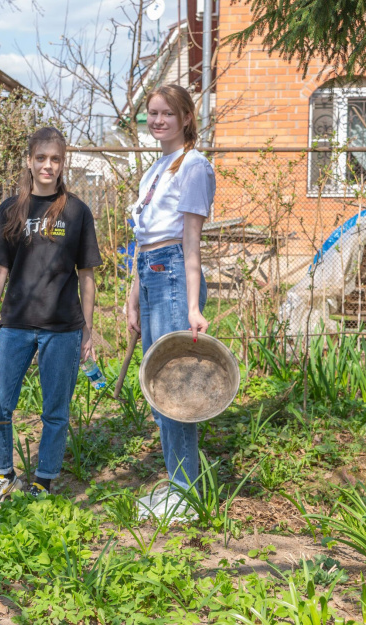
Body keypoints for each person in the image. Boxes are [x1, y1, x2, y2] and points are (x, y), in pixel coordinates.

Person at [0, 126, 102, 507]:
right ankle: (2, 473)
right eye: (41, 158)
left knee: (55, 412)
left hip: (62, 330)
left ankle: (44, 480)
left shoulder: (77, 211)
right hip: (14, 326)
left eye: (56, 159)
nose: (48, 166)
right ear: (29, 161)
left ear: (63, 163)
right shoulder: (9, 210)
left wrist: (87, 330)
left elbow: (87, 277)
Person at [125, 84, 215, 520]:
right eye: (152, 114)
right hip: (150, 274)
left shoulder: (195, 167)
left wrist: (193, 308)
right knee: (156, 385)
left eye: (166, 114)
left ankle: (186, 492)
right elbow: (141, 243)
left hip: (174, 274)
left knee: (175, 386)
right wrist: (133, 298)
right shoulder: (156, 168)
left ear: (185, 118)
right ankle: (177, 482)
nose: (158, 121)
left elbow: (191, 245)